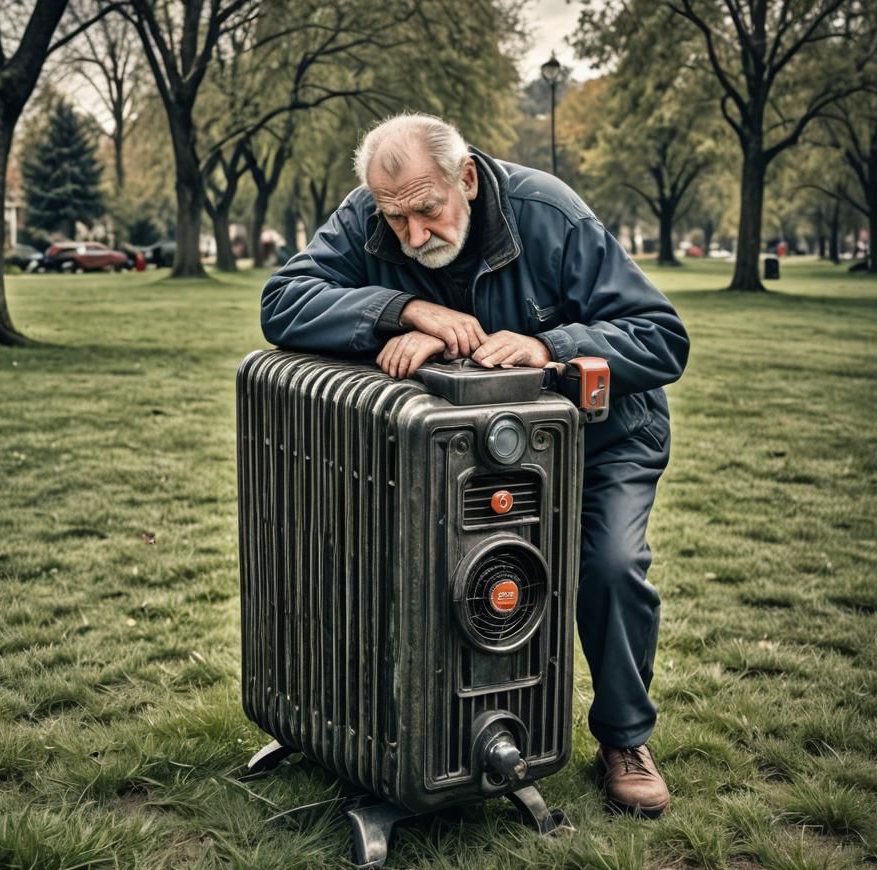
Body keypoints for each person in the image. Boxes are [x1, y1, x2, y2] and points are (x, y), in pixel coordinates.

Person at [260, 114, 689, 818]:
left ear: (465, 178)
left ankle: (625, 739)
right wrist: (404, 311)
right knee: (435, 576)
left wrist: (549, 349)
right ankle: (431, 732)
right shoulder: (368, 213)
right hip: (463, 456)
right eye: (395, 220)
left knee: (610, 565)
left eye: (427, 211)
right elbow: (283, 301)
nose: (412, 235)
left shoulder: (548, 213)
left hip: (600, 440)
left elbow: (660, 337)